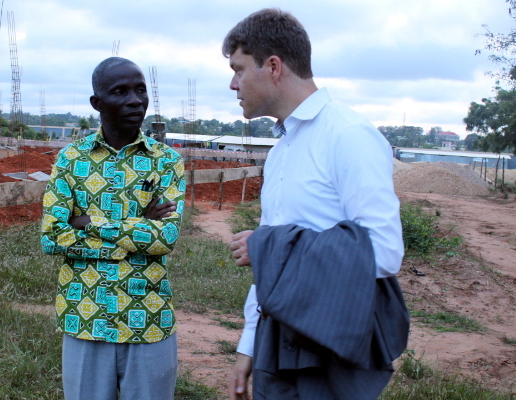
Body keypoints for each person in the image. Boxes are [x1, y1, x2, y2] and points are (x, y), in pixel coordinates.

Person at [224, 9, 408, 400]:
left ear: (273, 66)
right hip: (278, 338)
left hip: (329, 337)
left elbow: (385, 252)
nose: (232, 84)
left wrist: (271, 246)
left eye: (239, 69)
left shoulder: (349, 135)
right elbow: (271, 269)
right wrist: (249, 346)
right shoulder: (281, 151)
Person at [40, 57, 187, 400]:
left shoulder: (166, 161)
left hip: (148, 319)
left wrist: (89, 222)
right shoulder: (71, 160)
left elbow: (164, 239)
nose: (135, 100)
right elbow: (51, 237)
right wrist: (136, 230)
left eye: (140, 90)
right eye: (120, 91)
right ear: (98, 103)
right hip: (85, 319)